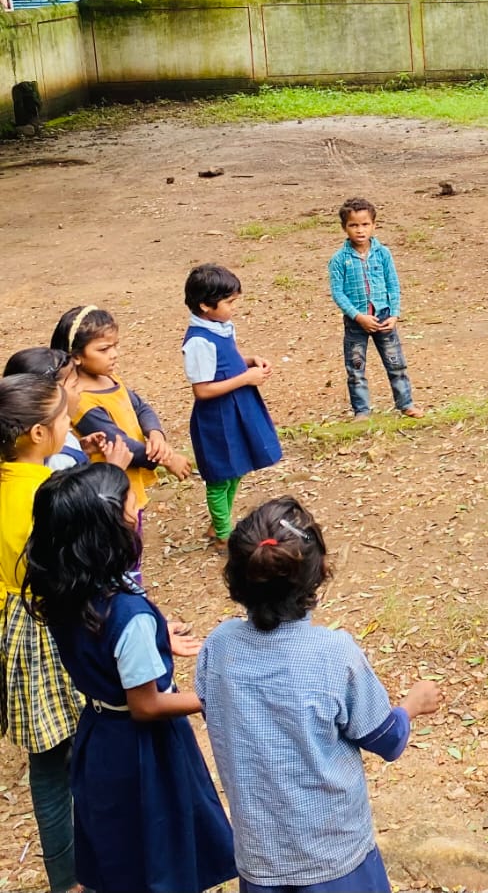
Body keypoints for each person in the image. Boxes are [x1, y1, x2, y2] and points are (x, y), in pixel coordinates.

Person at [196, 496, 441, 892]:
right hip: (335, 862)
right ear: (319, 574)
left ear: (237, 579)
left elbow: (216, 715)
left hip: (260, 859)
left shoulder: (218, 647)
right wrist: (411, 706)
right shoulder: (333, 654)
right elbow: (388, 739)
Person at [23, 463, 235, 893]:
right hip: (144, 752)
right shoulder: (127, 614)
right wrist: (214, 698)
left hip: (99, 736)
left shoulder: (68, 590)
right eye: (129, 502)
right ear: (111, 527)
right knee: (160, 844)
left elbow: (105, 648)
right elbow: (147, 704)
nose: (137, 505)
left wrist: (155, 637)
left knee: (118, 845)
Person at [0, 374, 111, 893]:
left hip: (11, 630)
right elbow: (70, 574)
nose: (71, 426)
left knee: (48, 762)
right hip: (44, 628)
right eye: (64, 420)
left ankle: (67, 877)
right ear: (39, 435)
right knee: (64, 759)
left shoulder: (10, 481)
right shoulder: (42, 497)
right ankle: (75, 876)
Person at [52, 305, 191, 521]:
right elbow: (122, 445)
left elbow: (140, 407)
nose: (114, 355)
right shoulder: (82, 401)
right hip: (110, 492)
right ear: (77, 356)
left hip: (127, 483)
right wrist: (169, 459)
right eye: (103, 349)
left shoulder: (108, 378)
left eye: (115, 346)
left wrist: (156, 434)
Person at [182, 265, 283, 548]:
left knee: (235, 469)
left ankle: (220, 523)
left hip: (237, 410)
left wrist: (249, 362)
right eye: (229, 303)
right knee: (219, 476)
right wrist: (245, 378)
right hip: (217, 418)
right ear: (205, 305)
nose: (233, 308)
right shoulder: (199, 342)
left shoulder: (220, 327)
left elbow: (228, 361)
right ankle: (223, 535)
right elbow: (202, 390)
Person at [329, 198, 425, 420]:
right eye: (353, 225)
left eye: (365, 224)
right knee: (356, 367)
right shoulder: (339, 260)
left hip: (383, 317)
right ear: (344, 228)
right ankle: (362, 410)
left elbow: (393, 284)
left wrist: (395, 313)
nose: (360, 230)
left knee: (396, 363)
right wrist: (358, 316)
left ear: (374, 225)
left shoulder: (383, 254)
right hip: (356, 322)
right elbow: (338, 293)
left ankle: (406, 403)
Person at [4, 347, 114, 472]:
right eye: (74, 385)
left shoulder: (45, 436)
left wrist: (80, 450)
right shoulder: (59, 461)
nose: (81, 390)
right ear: (52, 393)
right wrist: (114, 469)